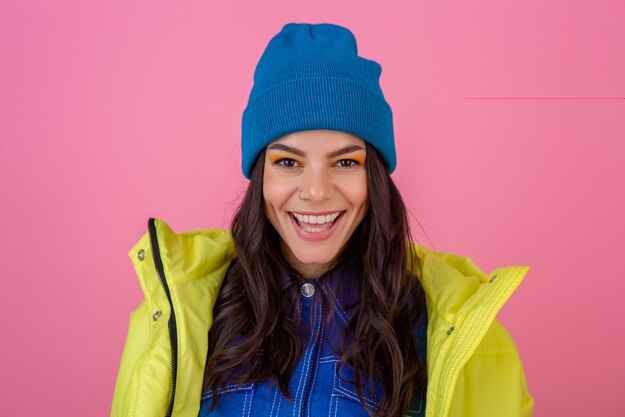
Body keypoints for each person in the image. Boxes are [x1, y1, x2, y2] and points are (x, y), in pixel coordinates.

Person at [111, 23, 533, 417]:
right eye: (288, 161)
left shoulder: (454, 330)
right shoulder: (179, 313)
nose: (316, 191)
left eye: (346, 162)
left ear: (376, 179)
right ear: (261, 176)